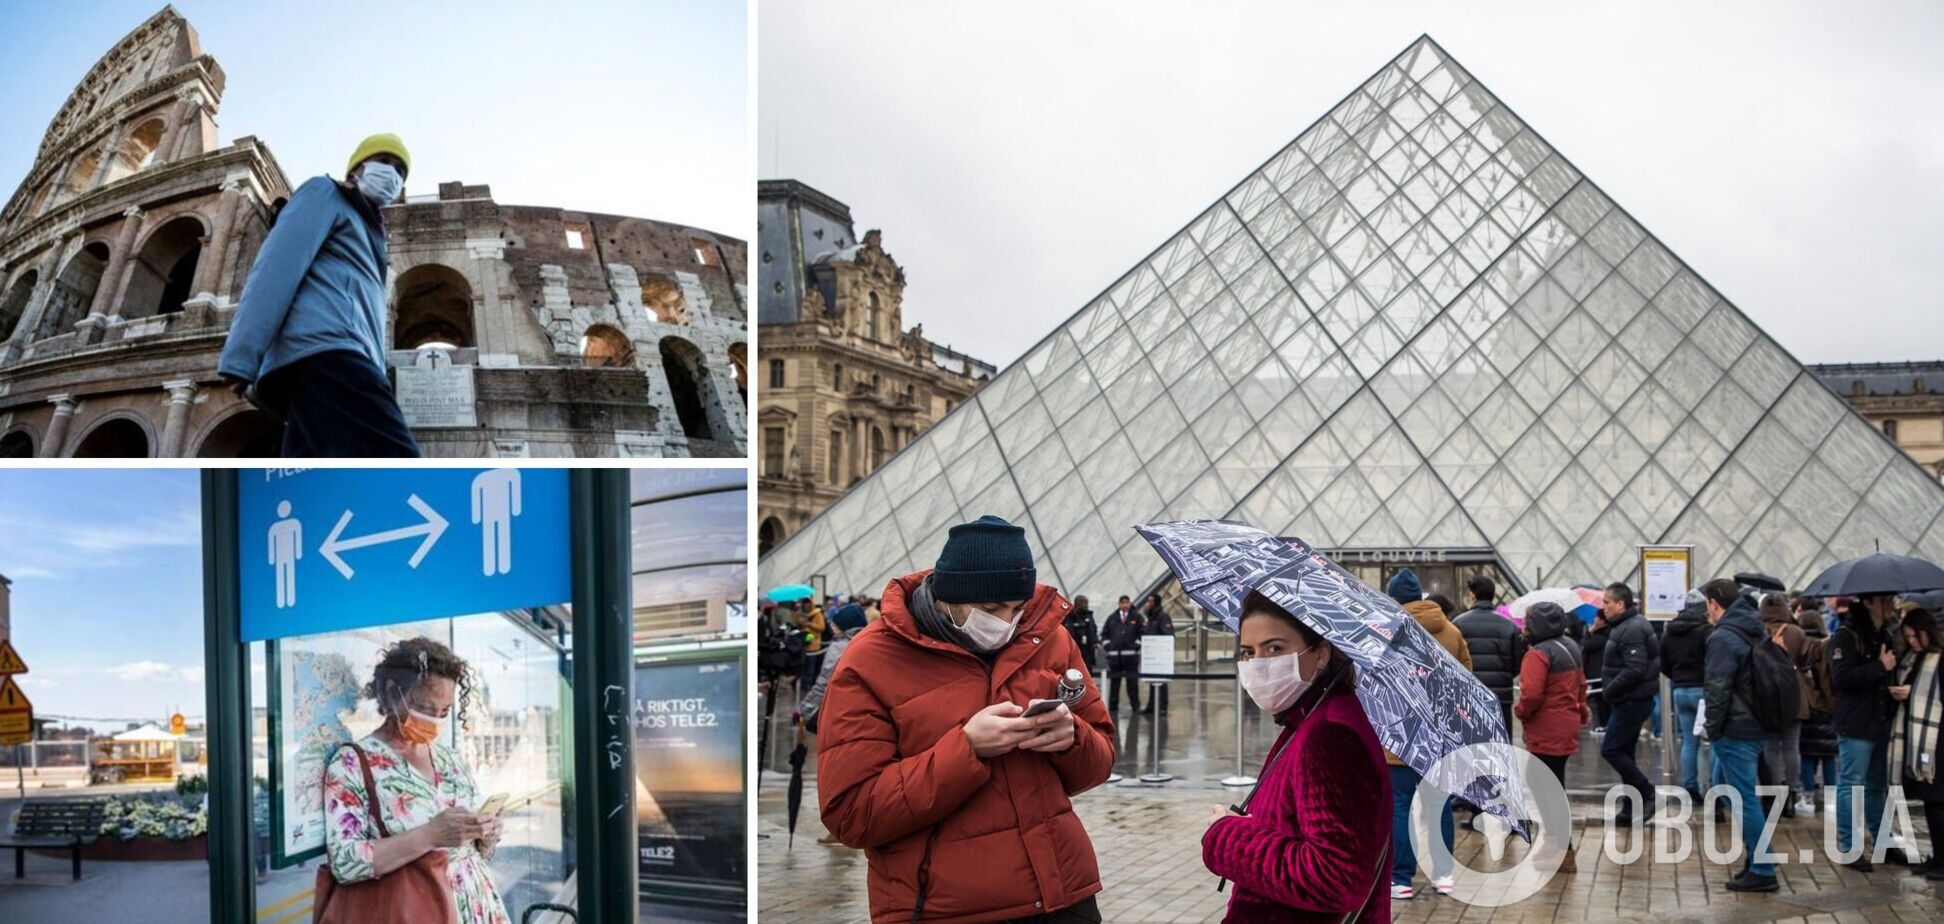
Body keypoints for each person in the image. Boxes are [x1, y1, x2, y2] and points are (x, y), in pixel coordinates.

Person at [817, 516, 1116, 922]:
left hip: (1063, 895)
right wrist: (966, 749)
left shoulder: (1049, 638)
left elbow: (1100, 762)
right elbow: (851, 815)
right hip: (945, 908)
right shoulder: (869, 661)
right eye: (990, 608)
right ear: (948, 595)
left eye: (1017, 608)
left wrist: (1072, 736)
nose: (1006, 622)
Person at [218, 135, 421, 457]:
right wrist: (242, 357)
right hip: (328, 355)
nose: (392, 174)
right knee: (398, 464)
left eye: (400, 170)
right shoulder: (324, 194)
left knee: (311, 489)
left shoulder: (374, 234)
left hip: (340, 360)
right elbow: (276, 267)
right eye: (384, 161)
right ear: (357, 168)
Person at [1203, 590, 1390, 922]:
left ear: (1320, 654)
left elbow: (1336, 878)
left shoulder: (1331, 734)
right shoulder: (1311, 719)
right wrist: (1253, 826)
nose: (1258, 664)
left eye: (1275, 648)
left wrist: (1227, 834)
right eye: (1248, 652)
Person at [322, 637, 507, 921]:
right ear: (392, 692)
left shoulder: (450, 758)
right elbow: (345, 863)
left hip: (478, 905)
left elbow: (474, 849)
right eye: (425, 707)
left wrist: (486, 836)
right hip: (415, 910)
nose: (434, 720)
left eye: (444, 712)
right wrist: (431, 835)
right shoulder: (351, 764)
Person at [1385, 569, 1470, 898]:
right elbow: (1466, 681)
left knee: (1400, 806)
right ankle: (1444, 875)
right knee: (1440, 805)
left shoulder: (1389, 631)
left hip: (1400, 736)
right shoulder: (1452, 631)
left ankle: (1401, 879)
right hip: (1440, 737)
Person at [1700, 578, 1779, 892]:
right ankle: (1756, 860)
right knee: (1739, 794)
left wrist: (1713, 727)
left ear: (1715, 603)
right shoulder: (1753, 628)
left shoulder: (1722, 638)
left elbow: (1717, 688)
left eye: (1707, 603)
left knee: (1743, 798)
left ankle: (1763, 866)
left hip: (1734, 727)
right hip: (1753, 723)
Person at [1515, 601, 1588, 874]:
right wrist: (1581, 711)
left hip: (1547, 727)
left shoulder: (1537, 654)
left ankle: (1563, 850)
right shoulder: (1570, 647)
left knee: (1548, 788)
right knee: (1547, 783)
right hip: (1565, 723)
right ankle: (1555, 841)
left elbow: (1531, 694)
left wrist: (1520, 711)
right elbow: (1580, 685)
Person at [1830, 593, 1899, 870]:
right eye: (1886, 600)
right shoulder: (1846, 636)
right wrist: (1879, 667)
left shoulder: (1885, 634)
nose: (1891, 604)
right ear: (1870, 602)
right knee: (1851, 784)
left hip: (1880, 719)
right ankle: (1849, 847)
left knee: (1875, 787)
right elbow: (1842, 678)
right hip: (1856, 722)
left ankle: (1884, 843)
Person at [1889, 608, 1944, 880]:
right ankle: (1937, 857)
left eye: (1914, 635)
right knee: (1931, 802)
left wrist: (1911, 693)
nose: (1911, 641)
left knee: (1937, 803)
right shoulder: (1913, 658)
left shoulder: (1939, 658)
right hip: (1919, 742)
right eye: (1907, 636)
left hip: (1937, 743)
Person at [1597, 582, 1658, 826]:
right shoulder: (1627, 625)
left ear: (1620, 604)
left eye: (1607, 603)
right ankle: (1629, 809)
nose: (1604, 609)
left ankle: (1647, 791)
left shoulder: (1631, 628)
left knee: (1610, 749)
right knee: (1625, 752)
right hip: (1631, 698)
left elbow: (1635, 668)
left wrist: (1610, 690)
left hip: (1631, 699)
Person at [1453, 575, 1522, 736]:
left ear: (1473, 596)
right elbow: (1517, 664)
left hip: (1469, 696)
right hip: (1501, 696)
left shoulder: (1458, 624)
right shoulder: (1510, 626)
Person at [1660, 587, 1712, 801]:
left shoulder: (1670, 631)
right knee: (1707, 741)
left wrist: (1677, 677)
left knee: (1689, 741)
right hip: (1702, 689)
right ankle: (1705, 786)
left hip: (1680, 690)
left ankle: (1689, 786)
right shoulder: (1707, 632)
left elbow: (1663, 664)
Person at [1760, 595, 1807, 818]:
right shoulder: (1796, 632)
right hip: (1794, 694)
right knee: (1791, 747)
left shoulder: (1760, 631)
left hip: (1767, 695)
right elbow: (1806, 662)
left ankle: (1773, 793)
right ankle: (1793, 791)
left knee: (1770, 747)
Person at [1797, 598, 1839, 815]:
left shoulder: (1801, 645)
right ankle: (1832, 800)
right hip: (1828, 705)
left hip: (1806, 706)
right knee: (1829, 754)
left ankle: (1808, 797)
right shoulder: (1829, 644)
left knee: (1807, 754)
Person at [1101, 595, 1145, 716]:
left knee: (1132, 684)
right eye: (1122, 603)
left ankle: (1135, 707)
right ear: (1119, 604)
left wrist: (1136, 645)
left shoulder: (1136, 617)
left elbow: (1143, 633)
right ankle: (1112, 708)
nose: (1125, 605)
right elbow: (1104, 634)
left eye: (1127, 602)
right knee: (1115, 684)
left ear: (1130, 603)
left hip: (1131, 658)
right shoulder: (1112, 618)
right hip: (1115, 658)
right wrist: (1108, 646)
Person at [1140, 593, 1175, 714]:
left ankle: (1162, 706)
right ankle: (1152, 705)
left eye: (1150, 601)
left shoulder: (1163, 617)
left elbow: (1168, 635)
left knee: (1162, 682)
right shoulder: (1150, 617)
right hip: (1151, 654)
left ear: (1156, 603)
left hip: (1160, 655)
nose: (1147, 604)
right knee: (1152, 681)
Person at [793, 599, 828, 693]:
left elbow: (821, 628)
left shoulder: (818, 614)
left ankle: (809, 686)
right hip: (802, 644)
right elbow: (794, 624)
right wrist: (800, 622)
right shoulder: (799, 614)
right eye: (804, 605)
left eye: (808, 605)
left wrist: (810, 624)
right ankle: (804, 685)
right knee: (803, 666)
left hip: (814, 645)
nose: (806, 607)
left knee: (811, 667)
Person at [1064, 594, 1102, 676]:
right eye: (1082, 603)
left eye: (1086, 603)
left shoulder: (1089, 617)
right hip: (1072, 652)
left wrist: (1096, 642)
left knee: (1087, 674)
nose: (1084, 605)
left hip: (1087, 653)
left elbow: (1093, 632)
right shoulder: (1069, 617)